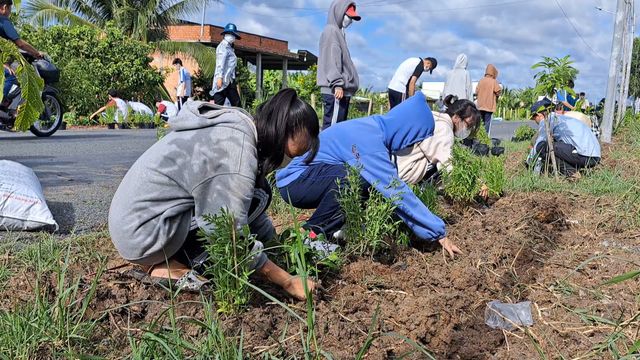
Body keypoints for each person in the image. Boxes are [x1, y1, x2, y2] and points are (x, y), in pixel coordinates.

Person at [108, 89, 320, 299]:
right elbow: (229, 232)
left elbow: (252, 209)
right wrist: (287, 280)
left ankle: (172, 259)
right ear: (279, 132)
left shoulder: (241, 129)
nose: (288, 161)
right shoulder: (235, 152)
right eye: (292, 154)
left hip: (140, 220)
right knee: (223, 227)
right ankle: (166, 267)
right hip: (144, 231)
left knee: (260, 193)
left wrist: (277, 247)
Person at [276, 92, 462, 258]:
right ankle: (309, 237)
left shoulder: (376, 127)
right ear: (408, 129)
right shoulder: (370, 143)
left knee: (364, 182)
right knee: (356, 178)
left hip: (311, 177)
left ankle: (339, 232)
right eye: (416, 137)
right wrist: (438, 232)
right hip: (294, 181)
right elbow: (396, 190)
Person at [396, 95, 481, 185]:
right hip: (404, 174)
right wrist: (473, 182)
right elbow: (447, 166)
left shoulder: (434, 118)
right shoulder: (444, 130)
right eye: (468, 125)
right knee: (444, 168)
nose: (467, 129)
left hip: (397, 165)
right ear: (456, 117)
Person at [317, 0, 361, 129]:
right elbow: (332, 59)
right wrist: (337, 84)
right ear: (339, 13)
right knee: (332, 130)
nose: (350, 21)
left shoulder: (338, 32)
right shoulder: (331, 31)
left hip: (340, 91)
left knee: (338, 129)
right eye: (349, 17)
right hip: (335, 91)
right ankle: (324, 150)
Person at [528, 98, 600, 178]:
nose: (535, 122)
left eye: (534, 119)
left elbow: (539, 143)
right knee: (554, 144)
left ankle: (571, 173)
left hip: (584, 156)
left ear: (539, 115)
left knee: (542, 146)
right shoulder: (563, 119)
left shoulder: (548, 120)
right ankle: (574, 169)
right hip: (594, 158)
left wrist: (529, 162)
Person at [0, 0, 44, 105]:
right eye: (10, 9)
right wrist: (36, 53)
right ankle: (2, 103)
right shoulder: (3, 21)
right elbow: (20, 43)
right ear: (5, 7)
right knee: (13, 76)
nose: (10, 13)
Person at [211, 23, 241, 107]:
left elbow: (231, 66)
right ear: (225, 34)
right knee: (218, 105)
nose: (233, 37)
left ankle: (238, 120)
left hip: (229, 81)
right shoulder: (223, 47)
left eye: (234, 35)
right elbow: (221, 63)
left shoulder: (230, 48)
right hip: (222, 80)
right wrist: (219, 77)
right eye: (231, 34)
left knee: (237, 104)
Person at [475, 64, 501, 135]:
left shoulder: (481, 81)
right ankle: (485, 138)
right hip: (489, 106)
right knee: (487, 123)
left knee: (481, 123)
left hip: (480, 106)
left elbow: (476, 92)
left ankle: (479, 136)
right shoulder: (493, 81)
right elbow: (498, 91)